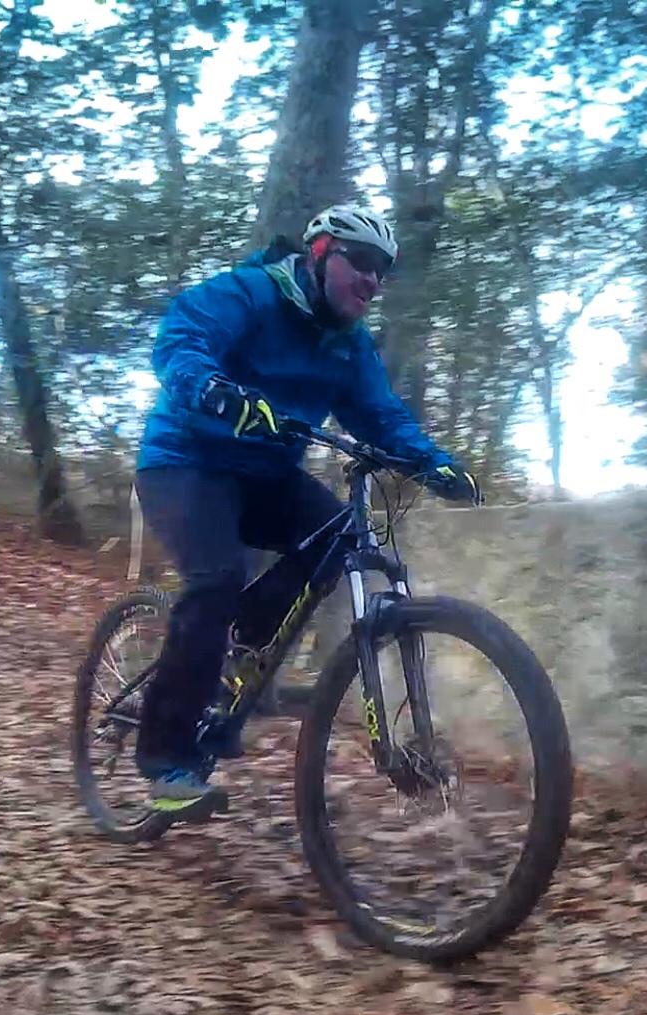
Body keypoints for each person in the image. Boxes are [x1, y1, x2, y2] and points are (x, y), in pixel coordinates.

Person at [132, 203, 482, 819]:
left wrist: (436, 463)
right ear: (319, 255)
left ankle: (237, 644)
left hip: (265, 474)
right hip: (186, 461)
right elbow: (182, 337)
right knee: (214, 580)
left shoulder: (348, 345)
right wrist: (213, 390)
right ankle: (165, 757)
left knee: (339, 533)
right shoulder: (251, 293)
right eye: (363, 264)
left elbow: (381, 416)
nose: (373, 282)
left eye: (384, 273)